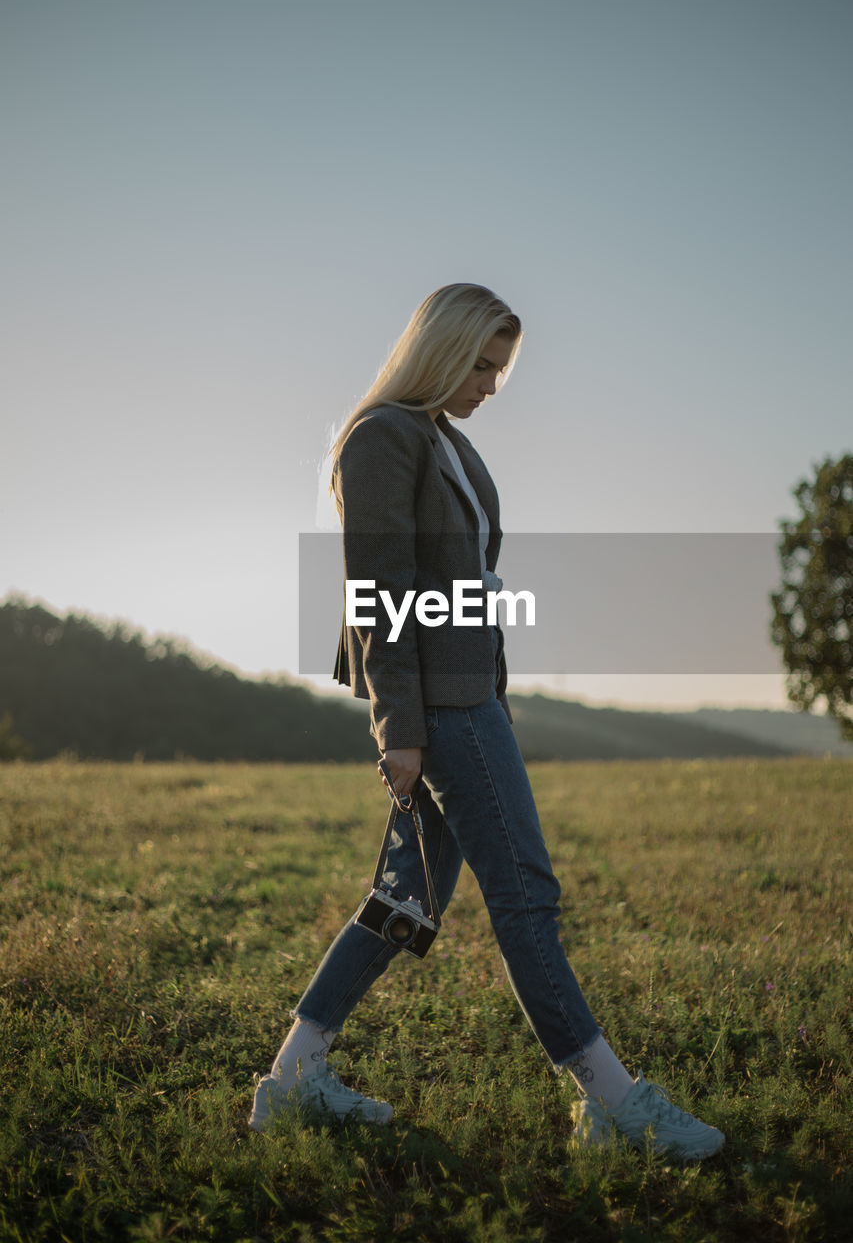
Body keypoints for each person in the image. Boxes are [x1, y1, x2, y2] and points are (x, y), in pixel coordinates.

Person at [249, 284, 725, 1160]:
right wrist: (399, 727)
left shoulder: (443, 442)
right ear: (437, 349)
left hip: (469, 693)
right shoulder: (382, 436)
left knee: (407, 898)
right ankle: (609, 1103)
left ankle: (291, 1080)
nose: (491, 384)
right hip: (441, 706)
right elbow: (379, 592)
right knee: (525, 898)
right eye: (479, 363)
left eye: (500, 368)